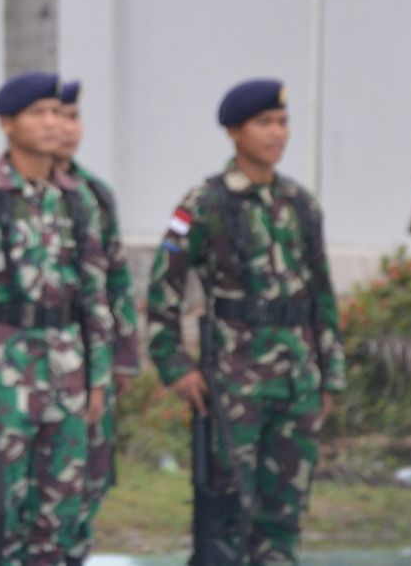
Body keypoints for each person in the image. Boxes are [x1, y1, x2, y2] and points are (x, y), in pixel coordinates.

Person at [146, 79, 345, 566]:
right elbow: (163, 291)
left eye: (282, 122)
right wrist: (176, 366)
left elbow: (322, 293)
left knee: (284, 515)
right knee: (228, 515)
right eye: (264, 123)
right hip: (233, 384)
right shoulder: (205, 204)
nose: (277, 133)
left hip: (297, 379)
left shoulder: (301, 204)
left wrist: (330, 372)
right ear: (235, 131)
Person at [0, 71, 112, 566]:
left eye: (58, 112)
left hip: (68, 372)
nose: (54, 123)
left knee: (60, 512)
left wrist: (98, 376)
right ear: (7, 123)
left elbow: (94, 294)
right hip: (2, 375)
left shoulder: (76, 199)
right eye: (39, 113)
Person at [50, 79, 139, 566]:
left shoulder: (96, 195)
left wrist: (122, 358)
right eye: (57, 116)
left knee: (91, 477)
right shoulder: (19, 192)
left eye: (73, 117)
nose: (65, 129)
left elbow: (117, 281)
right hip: (40, 365)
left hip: (93, 362)